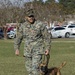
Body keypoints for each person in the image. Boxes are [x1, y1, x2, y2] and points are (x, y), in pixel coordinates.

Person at [14, 9, 51, 75]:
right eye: (29, 17)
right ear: (26, 17)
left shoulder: (40, 25)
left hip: (38, 50)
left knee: (35, 69)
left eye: (32, 16)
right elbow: (18, 38)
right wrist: (16, 48)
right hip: (27, 51)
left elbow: (47, 37)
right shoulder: (23, 26)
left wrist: (47, 48)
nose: (31, 18)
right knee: (29, 70)